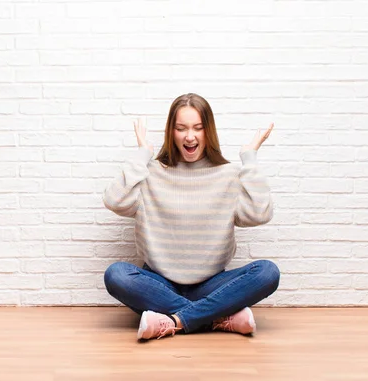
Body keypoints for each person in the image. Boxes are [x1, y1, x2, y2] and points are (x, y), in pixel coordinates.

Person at [102, 93, 280, 341]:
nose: (189, 136)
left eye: (198, 128)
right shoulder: (150, 172)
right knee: (117, 275)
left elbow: (260, 214)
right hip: (159, 284)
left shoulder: (227, 174)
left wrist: (249, 157)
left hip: (211, 284)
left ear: (208, 131)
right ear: (171, 132)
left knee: (267, 272)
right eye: (181, 128)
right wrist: (143, 154)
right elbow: (114, 201)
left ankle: (174, 320)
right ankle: (216, 317)